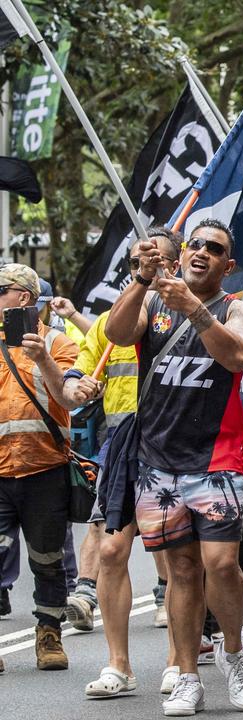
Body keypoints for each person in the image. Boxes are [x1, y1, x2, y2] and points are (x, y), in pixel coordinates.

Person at [104, 218, 243, 715]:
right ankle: (188, 674)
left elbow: (238, 356)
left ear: (228, 265)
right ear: (180, 254)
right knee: (182, 570)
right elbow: (115, 331)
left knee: (221, 564)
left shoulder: (240, 310)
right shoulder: (153, 300)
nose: (201, 253)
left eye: (213, 249)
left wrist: (193, 308)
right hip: (158, 462)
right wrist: (141, 280)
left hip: (217, 460)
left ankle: (234, 655)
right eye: (194, 245)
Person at [64, 231, 182, 696]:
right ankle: (119, 666)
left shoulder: (187, 311)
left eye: (154, 259)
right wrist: (78, 388)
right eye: (137, 261)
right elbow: (78, 372)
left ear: (176, 263)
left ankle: (178, 660)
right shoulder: (116, 316)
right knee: (111, 552)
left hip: (172, 444)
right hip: (121, 446)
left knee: (175, 558)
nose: (145, 266)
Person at [0, 262, 80, 673]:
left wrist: (41, 355)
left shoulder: (59, 343)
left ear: (23, 297)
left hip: (44, 469)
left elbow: (68, 399)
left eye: (1, 290)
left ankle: (49, 632)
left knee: (48, 558)